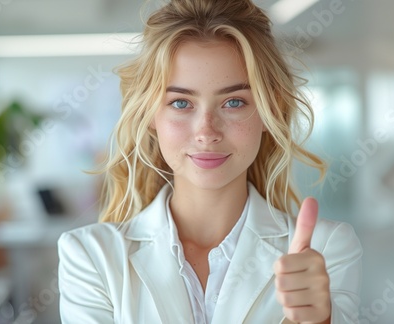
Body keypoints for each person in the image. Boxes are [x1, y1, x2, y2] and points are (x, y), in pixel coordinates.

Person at [57, 0, 362, 323]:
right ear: (149, 114)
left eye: (233, 102)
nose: (206, 132)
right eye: (180, 103)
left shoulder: (325, 250)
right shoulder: (90, 256)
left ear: (269, 112)